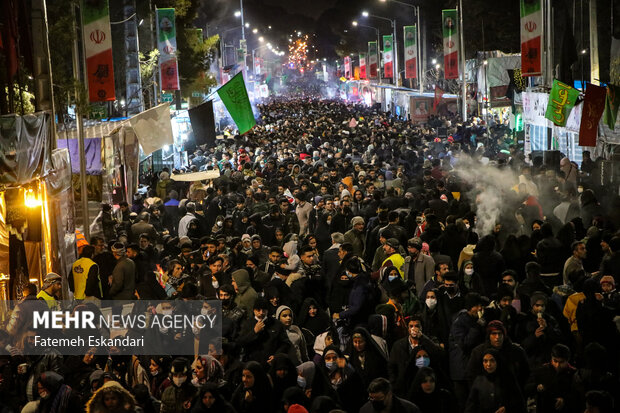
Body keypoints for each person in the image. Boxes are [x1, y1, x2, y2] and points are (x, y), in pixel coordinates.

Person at [465, 348, 526, 413]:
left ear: (498, 361)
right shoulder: (479, 380)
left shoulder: (507, 378)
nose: (488, 364)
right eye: (485, 361)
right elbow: (471, 405)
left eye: (492, 361)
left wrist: (507, 408)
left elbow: (519, 402)